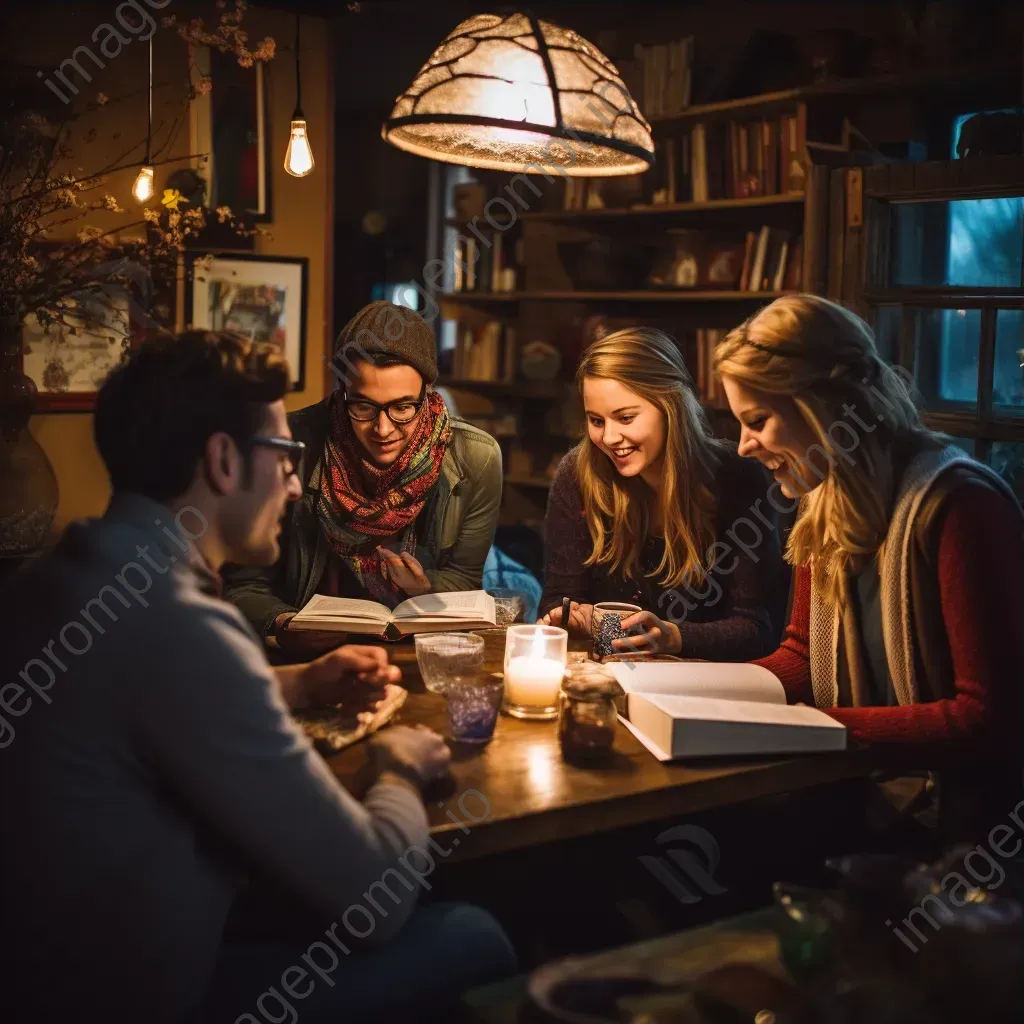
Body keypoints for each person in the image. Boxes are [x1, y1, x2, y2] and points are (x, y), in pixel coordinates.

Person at [0, 331, 515, 1023]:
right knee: (478, 936)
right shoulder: (180, 623)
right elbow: (376, 903)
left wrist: (293, 684)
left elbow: (136, 696)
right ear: (222, 460)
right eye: (283, 457)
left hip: (44, 977)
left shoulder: (57, 577)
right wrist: (396, 769)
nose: (297, 482)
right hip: (137, 999)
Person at [714, 294, 1024, 841]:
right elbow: (802, 659)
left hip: (955, 832)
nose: (742, 447)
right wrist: (686, 687)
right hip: (863, 795)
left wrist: (811, 728)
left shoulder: (959, 507)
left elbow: (987, 719)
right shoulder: (823, 502)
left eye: (757, 419)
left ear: (822, 405)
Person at [224, 301, 503, 658]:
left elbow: (466, 580)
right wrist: (284, 624)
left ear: (428, 393)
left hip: (420, 655)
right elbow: (244, 585)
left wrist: (424, 588)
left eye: (403, 407)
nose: (383, 429)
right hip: (310, 656)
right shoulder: (293, 445)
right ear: (342, 394)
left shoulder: (476, 458)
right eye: (363, 407)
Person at [539, 326, 786, 661]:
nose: (610, 437)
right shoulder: (580, 473)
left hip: (705, 683)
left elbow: (758, 629)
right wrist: (570, 618)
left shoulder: (737, 476)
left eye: (625, 418)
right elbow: (559, 600)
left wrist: (673, 636)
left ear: (670, 406)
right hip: (611, 674)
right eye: (596, 420)